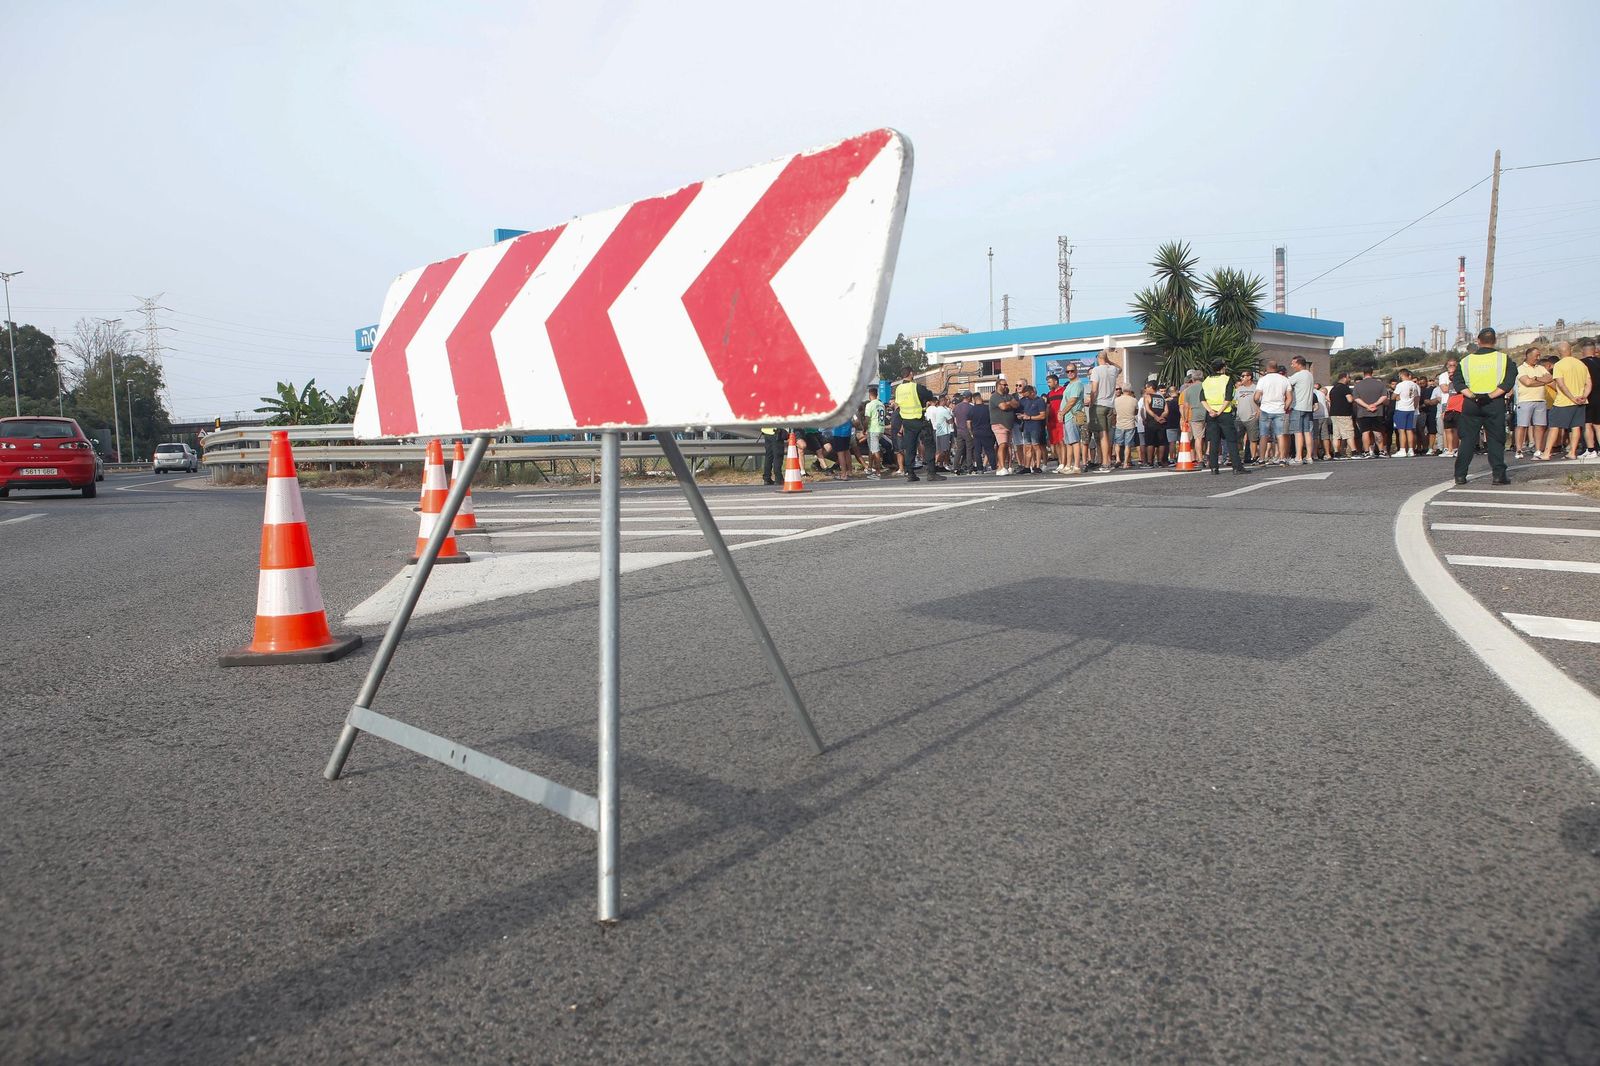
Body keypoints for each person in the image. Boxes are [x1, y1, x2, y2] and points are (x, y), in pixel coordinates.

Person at [1452, 327, 1518, 485]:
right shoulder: (1504, 359)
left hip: (1471, 402)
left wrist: (1472, 395)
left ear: (1478, 341)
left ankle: (1460, 475)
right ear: (1495, 341)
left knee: (1468, 439)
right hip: (1494, 402)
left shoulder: (1466, 361)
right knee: (1495, 439)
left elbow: (1458, 382)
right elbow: (1508, 382)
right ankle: (1498, 475)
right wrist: (1490, 395)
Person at [1535, 340, 1593, 462]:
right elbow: (1589, 383)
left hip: (1563, 401)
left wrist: (1572, 397)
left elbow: (1561, 384)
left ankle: (1547, 453)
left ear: (1559, 352)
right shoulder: (1581, 364)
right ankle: (1572, 452)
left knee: (1554, 426)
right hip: (1581, 401)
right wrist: (1583, 396)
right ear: (1570, 350)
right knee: (1576, 427)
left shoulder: (1559, 365)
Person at [893, 369, 943, 483]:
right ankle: (931, 473)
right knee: (929, 445)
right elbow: (929, 395)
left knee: (910, 447)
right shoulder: (915, 387)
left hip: (906, 421)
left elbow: (899, 403)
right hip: (918, 419)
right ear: (911, 374)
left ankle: (910, 473)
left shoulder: (898, 389)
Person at [1200, 359, 1247, 475]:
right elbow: (1228, 398)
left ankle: (1213, 467)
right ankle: (1237, 467)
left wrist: (1211, 410)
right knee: (1231, 440)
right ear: (1223, 368)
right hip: (1224, 413)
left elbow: (1202, 398)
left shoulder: (1206, 380)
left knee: (1214, 441)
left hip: (1211, 414)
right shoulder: (1226, 379)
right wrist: (1220, 411)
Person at [1513, 347, 1552, 458]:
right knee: (1522, 425)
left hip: (1540, 400)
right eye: (1536, 355)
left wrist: (1535, 378)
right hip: (1525, 400)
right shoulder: (1521, 369)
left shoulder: (1540, 368)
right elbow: (1527, 382)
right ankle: (1519, 450)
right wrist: (1542, 381)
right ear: (1528, 355)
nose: (1538, 358)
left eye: (1539, 355)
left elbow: (1550, 378)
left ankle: (1538, 449)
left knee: (1539, 426)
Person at [1086, 351, 1121, 472]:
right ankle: (1107, 460)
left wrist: (1091, 403)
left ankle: (1105, 462)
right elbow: (1120, 368)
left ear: (1097, 359)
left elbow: (1094, 389)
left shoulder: (1096, 370)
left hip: (1099, 404)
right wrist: (1109, 361)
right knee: (1107, 433)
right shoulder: (1112, 369)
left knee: (1102, 434)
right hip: (1110, 405)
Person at [1254, 361, 1290, 465]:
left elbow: (1256, 397)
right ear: (1276, 368)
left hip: (1265, 409)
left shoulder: (1263, 380)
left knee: (1264, 435)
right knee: (1280, 435)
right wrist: (1284, 407)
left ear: (1267, 368)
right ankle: (1282, 458)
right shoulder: (1284, 379)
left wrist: (1258, 404)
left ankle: (1262, 459)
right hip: (1279, 409)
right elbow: (1289, 397)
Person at [1284, 356, 1317, 465]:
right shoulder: (1310, 375)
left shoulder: (1298, 375)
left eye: (1293, 363)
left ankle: (1298, 457)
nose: (1292, 366)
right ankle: (1309, 456)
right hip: (1308, 407)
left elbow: (1287, 384)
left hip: (1298, 407)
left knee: (1297, 432)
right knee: (1307, 432)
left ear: (1298, 364)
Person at [1351, 368, 1390, 458]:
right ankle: (1381, 451)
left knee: (1365, 432)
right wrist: (1375, 404)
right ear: (1372, 373)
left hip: (1363, 412)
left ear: (1363, 373)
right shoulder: (1380, 384)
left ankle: (1367, 452)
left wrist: (1367, 406)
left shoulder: (1358, 385)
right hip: (1377, 411)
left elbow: (1356, 398)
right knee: (1378, 431)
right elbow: (1384, 396)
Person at [1058, 364, 1086, 474]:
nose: (1069, 373)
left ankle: (1077, 466)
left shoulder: (1077, 384)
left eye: (1072, 371)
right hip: (1067, 416)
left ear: (1076, 371)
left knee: (1074, 441)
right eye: (1067, 371)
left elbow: (1072, 401)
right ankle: (1068, 465)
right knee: (1068, 442)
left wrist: (1062, 412)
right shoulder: (1069, 385)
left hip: (1072, 415)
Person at [1016, 384, 1049, 473]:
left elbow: (1042, 415)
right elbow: (1023, 410)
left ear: (1032, 392)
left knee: (1036, 446)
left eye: (1028, 395)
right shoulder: (1025, 401)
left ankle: (1037, 466)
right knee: (1027, 446)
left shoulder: (1040, 401)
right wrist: (1022, 416)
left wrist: (1030, 417)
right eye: (1025, 396)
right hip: (1026, 426)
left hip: (1035, 426)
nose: (1027, 397)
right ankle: (1027, 466)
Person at [989, 379, 1019, 475]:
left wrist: (1009, 403)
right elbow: (1003, 407)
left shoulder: (1008, 396)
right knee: (1002, 444)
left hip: (1009, 425)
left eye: (1006, 385)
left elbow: (1016, 404)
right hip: (999, 424)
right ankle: (1001, 467)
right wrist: (1009, 403)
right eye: (1004, 385)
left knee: (1006, 446)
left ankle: (1001, 466)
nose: (1006, 386)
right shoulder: (995, 396)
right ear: (998, 385)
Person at [1391, 368, 1422, 457]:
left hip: (1401, 409)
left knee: (1401, 430)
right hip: (1411, 408)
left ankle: (1402, 449)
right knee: (1409, 430)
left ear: (1401, 375)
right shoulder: (1415, 385)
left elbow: (1393, 396)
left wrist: (1397, 396)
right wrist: (1414, 407)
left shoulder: (1400, 385)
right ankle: (1411, 449)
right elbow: (1417, 397)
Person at [1139, 380, 1170, 468]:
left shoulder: (1147, 397)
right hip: (1162, 423)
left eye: (1146, 387)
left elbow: (1148, 409)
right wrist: (1161, 417)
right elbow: (1166, 410)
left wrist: (1156, 417)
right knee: (1161, 442)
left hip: (1151, 423)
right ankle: (1160, 461)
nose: (1145, 389)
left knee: (1150, 442)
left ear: (1151, 387)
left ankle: (1150, 462)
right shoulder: (1161, 397)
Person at [1180, 368, 1207, 465]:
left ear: (1193, 379)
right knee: (1210, 438)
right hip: (1208, 413)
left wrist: (1185, 419)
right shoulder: (1206, 387)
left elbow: (1186, 406)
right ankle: (1209, 455)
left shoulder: (1187, 390)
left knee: (1198, 438)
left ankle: (1200, 459)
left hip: (1195, 415)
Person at [1328, 371, 1357, 459]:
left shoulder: (1333, 388)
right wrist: (1354, 399)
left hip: (1333, 413)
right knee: (1349, 433)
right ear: (1344, 378)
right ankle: (1354, 452)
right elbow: (1350, 399)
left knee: (1336, 435)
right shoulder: (1345, 388)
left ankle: (1336, 453)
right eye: (1349, 378)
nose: (1349, 379)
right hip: (1344, 413)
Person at [1233, 369, 1259, 464]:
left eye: (1243, 376)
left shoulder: (1256, 388)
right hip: (1239, 418)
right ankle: (1236, 458)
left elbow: (1260, 402)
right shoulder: (1238, 390)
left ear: (1249, 377)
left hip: (1252, 417)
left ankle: (1253, 457)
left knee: (1253, 439)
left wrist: (1258, 412)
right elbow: (1235, 402)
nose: (1241, 378)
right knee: (1237, 438)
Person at [967, 390, 997, 474]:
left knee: (977, 451)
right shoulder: (988, 408)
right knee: (990, 450)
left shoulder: (971, 410)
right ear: (981, 398)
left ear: (974, 399)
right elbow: (992, 419)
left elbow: (968, 423)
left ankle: (980, 468)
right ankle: (994, 467)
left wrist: (971, 432)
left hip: (976, 432)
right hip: (987, 432)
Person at [1580, 338, 1600, 460]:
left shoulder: (1580, 364)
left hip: (1588, 396)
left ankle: (1591, 449)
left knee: (1587, 424)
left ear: (1583, 351)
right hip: (1599, 396)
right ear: (1594, 350)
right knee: (1598, 425)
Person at [1111, 385, 1139, 468]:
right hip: (1130, 424)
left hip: (1119, 424)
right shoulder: (1134, 400)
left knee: (1117, 443)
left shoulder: (1116, 400)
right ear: (1130, 390)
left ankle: (1118, 459)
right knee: (1128, 445)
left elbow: (1114, 413)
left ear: (1122, 390)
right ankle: (1126, 462)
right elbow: (1136, 412)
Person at [1438, 358, 1461, 456]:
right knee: (1447, 428)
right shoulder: (1443, 376)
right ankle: (1448, 449)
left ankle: (1456, 449)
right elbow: (1444, 389)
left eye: (1454, 365)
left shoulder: (1460, 377)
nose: (1452, 368)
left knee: (1457, 428)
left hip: (1459, 405)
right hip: (1447, 404)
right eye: (1450, 365)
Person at [928, 394, 955, 473]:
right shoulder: (944, 410)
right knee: (944, 450)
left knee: (939, 450)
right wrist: (948, 420)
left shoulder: (935, 410)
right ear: (943, 401)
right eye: (946, 400)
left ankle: (939, 465)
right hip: (944, 432)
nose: (947, 401)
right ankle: (937, 464)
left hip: (938, 431)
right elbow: (951, 421)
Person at [1044, 373, 1066, 471]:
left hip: (1061, 421)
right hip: (1052, 422)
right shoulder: (1049, 394)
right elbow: (1048, 408)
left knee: (1062, 442)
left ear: (1055, 381)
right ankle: (1060, 463)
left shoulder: (1064, 391)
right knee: (1056, 443)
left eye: (1049, 382)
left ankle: (1065, 463)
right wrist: (1046, 421)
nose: (1048, 384)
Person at [950, 391, 974, 475]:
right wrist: (971, 432)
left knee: (959, 450)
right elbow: (971, 421)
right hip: (967, 430)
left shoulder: (956, 407)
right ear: (969, 397)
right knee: (969, 449)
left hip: (959, 430)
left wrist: (959, 427)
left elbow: (955, 421)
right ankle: (969, 467)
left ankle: (955, 467)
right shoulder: (971, 407)